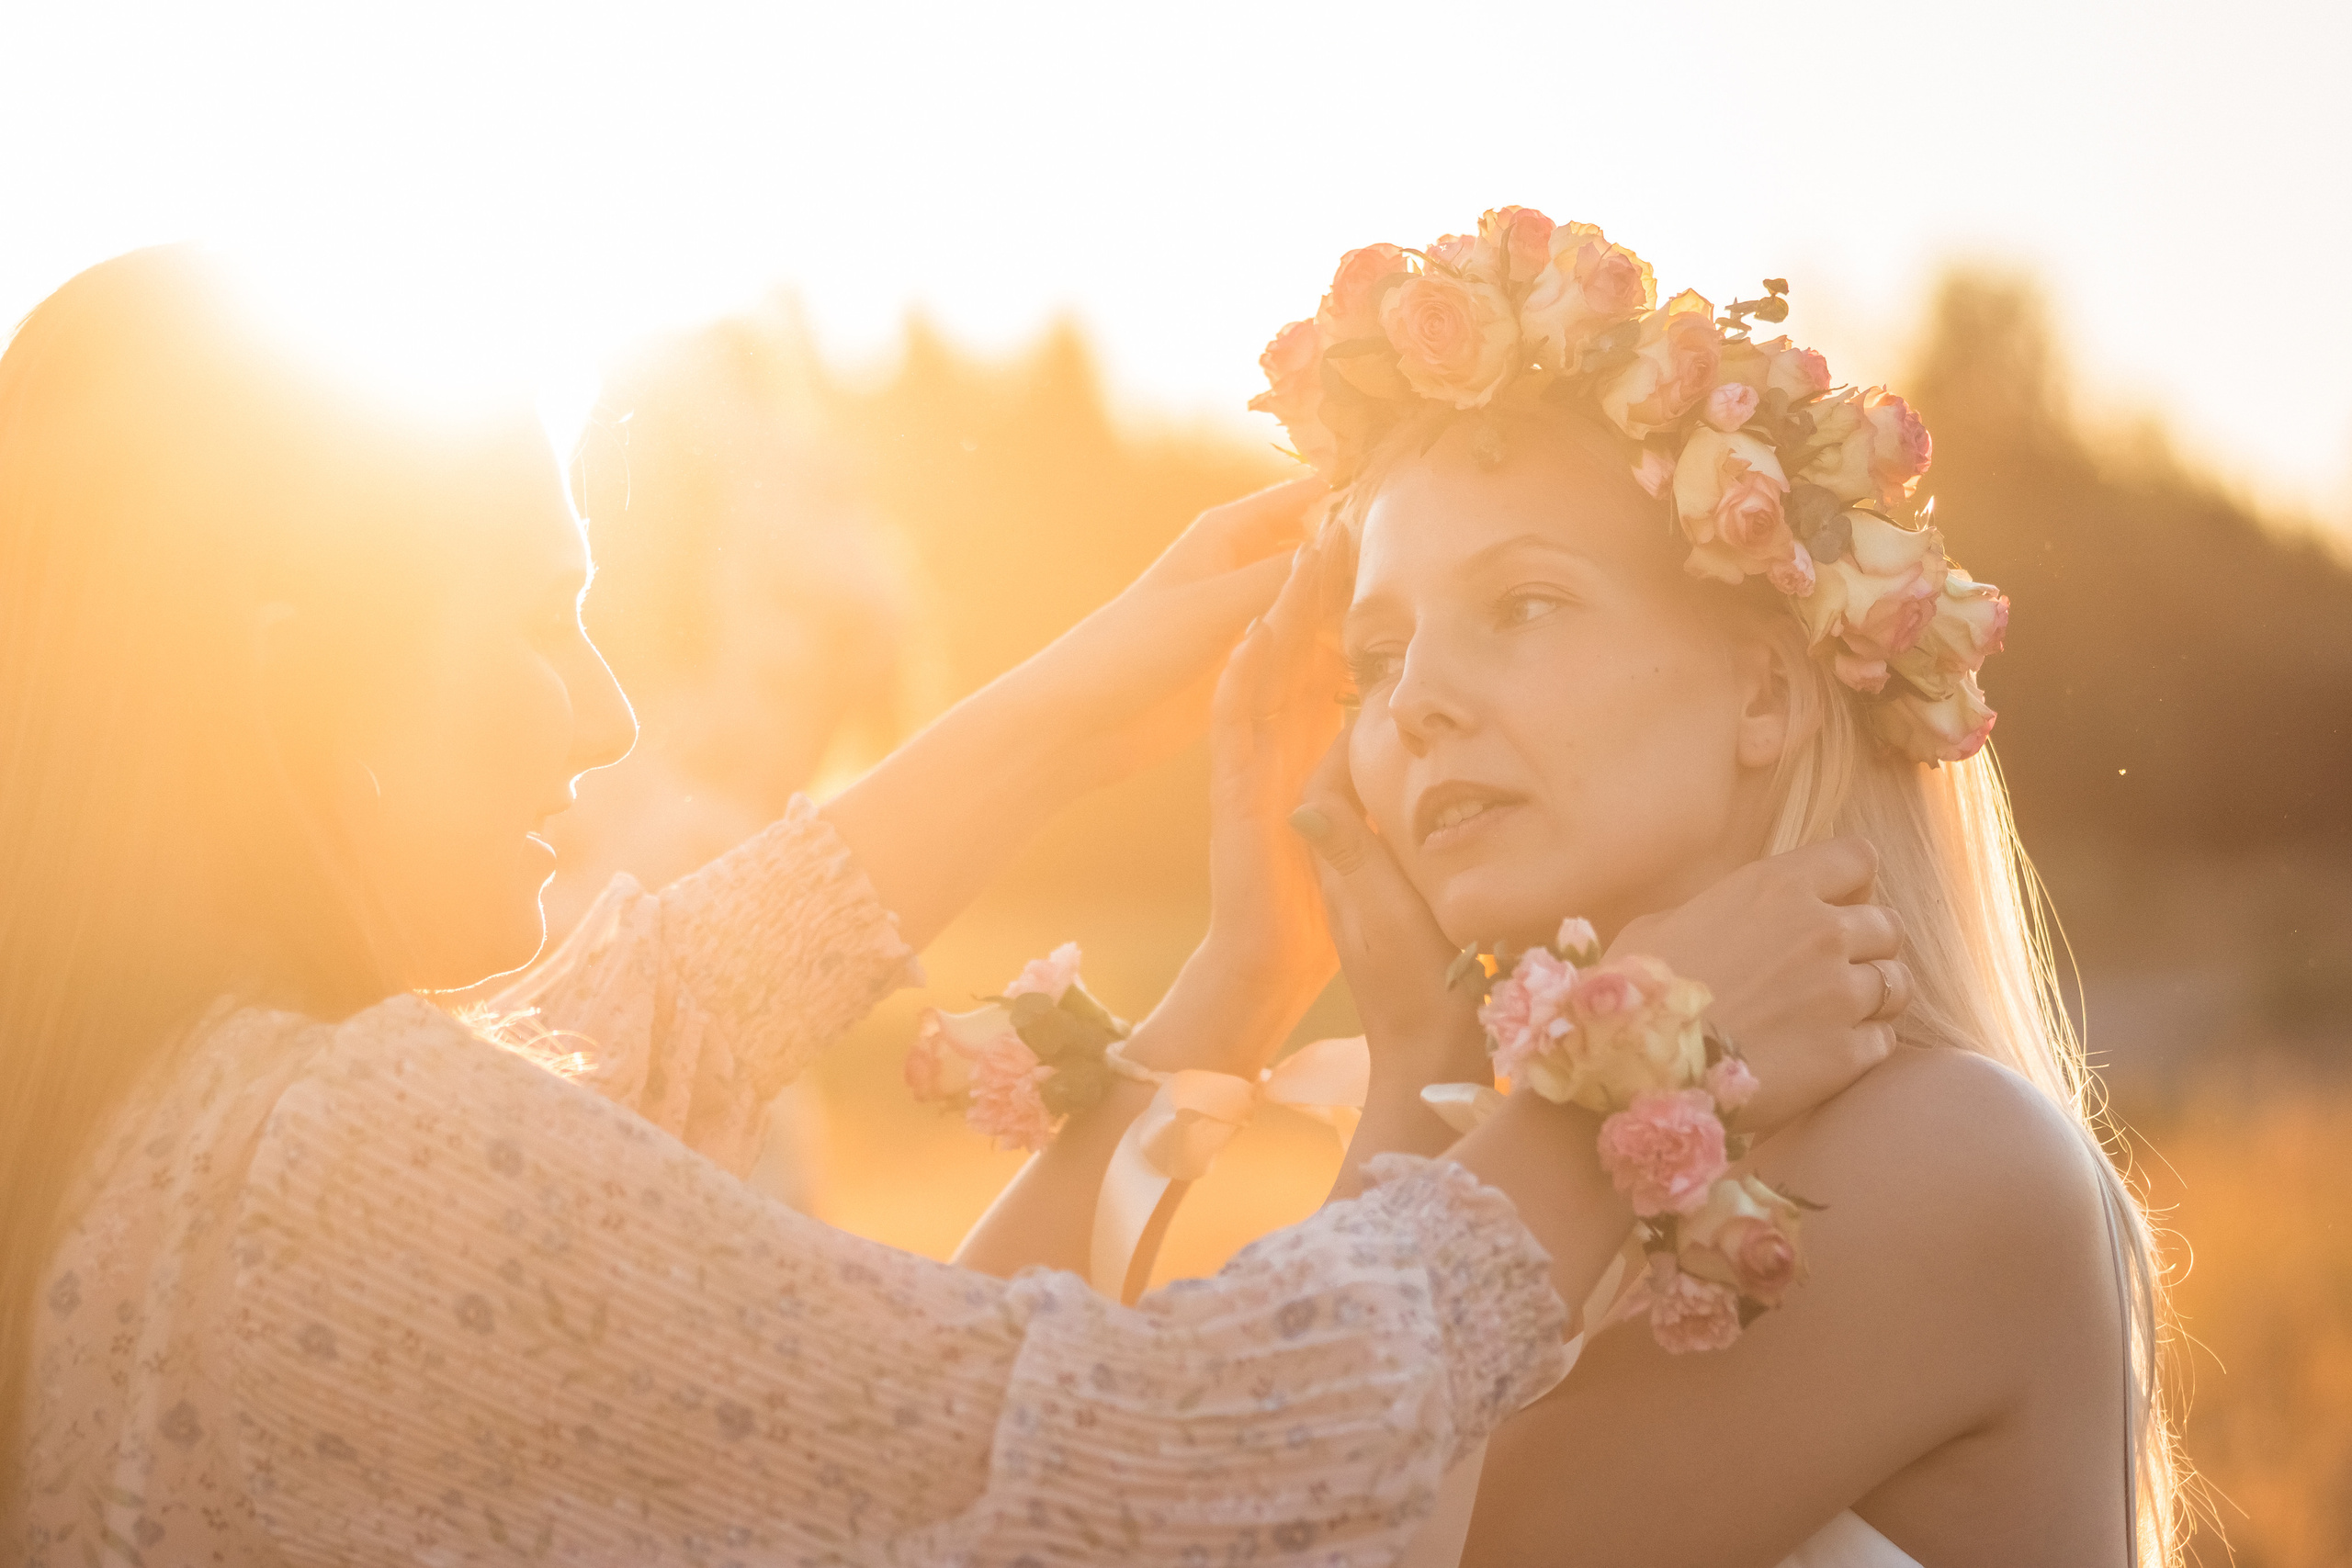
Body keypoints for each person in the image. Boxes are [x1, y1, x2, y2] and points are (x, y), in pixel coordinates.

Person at [0, 245, 1894, 1564]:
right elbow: (1148, 1474)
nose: (598, 710)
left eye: (1523, 607)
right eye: (530, 620)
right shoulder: (324, 1167)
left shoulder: (145, 1115)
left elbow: (637, 1030)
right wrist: (1612, 1091)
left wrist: (1183, 887)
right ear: (282, 668)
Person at [1218, 209, 2178, 1567]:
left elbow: (1310, 1537)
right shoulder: (1542, 1168)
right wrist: (1412, 1072)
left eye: (1524, 604)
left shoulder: (1949, 1156)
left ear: (1764, 692)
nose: (1416, 699)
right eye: (1376, 657)